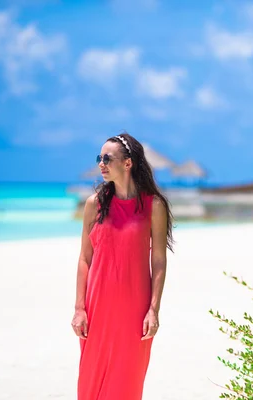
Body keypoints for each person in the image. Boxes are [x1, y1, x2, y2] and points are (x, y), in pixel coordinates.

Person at [72, 133, 174, 399]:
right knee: (90, 385)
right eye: (99, 158)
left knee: (127, 384)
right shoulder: (94, 205)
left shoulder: (154, 206)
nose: (101, 164)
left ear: (127, 163)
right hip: (97, 309)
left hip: (134, 310)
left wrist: (154, 309)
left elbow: (159, 260)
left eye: (107, 158)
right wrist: (79, 309)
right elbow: (85, 258)